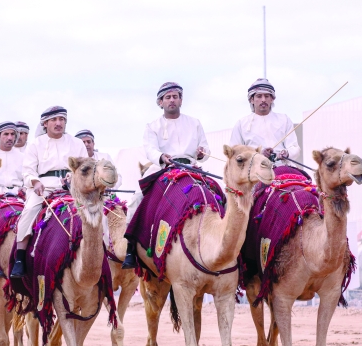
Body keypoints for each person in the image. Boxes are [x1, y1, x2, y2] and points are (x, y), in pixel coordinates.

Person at [122, 82, 211, 269]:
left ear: (181, 100)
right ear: (160, 102)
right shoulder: (152, 126)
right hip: (164, 168)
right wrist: (161, 157)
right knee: (136, 199)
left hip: (191, 167)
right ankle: (130, 249)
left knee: (218, 195)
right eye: (168, 97)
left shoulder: (194, 122)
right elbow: (150, 150)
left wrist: (202, 153)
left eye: (175, 97)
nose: (172, 100)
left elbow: (205, 148)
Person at [9, 105, 89, 278]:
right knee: (29, 211)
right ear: (45, 123)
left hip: (72, 186)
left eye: (61, 120)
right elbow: (28, 170)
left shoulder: (76, 143)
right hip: (43, 186)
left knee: (94, 211)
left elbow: (85, 167)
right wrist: (35, 182)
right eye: (54, 120)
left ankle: (102, 252)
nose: (58, 123)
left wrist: (73, 177)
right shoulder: (35, 144)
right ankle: (20, 258)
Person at [228, 78, 301, 163]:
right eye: (259, 96)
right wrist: (257, 155)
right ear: (252, 100)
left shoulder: (284, 120)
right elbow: (234, 153)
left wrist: (286, 153)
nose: (263, 99)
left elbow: (294, 147)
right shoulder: (241, 124)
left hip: (282, 167)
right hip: (253, 171)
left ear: (272, 99)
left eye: (267, 96)